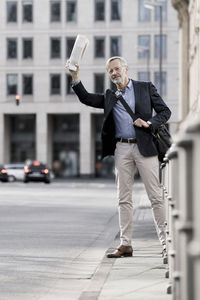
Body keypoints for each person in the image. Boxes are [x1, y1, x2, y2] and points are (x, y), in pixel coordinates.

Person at [65, 56, 171, 258]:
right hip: (122, 148)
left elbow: (165, 112)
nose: (114, 73)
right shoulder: (109, 96)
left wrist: (148, 123)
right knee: (123, 199)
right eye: (110, 71)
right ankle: (126, 244)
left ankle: (167, 244)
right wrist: (75, 76)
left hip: (145, 147)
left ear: (126, 69)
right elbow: (86, 97)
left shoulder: (145, 88)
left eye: (116, 69)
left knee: (155, 197)